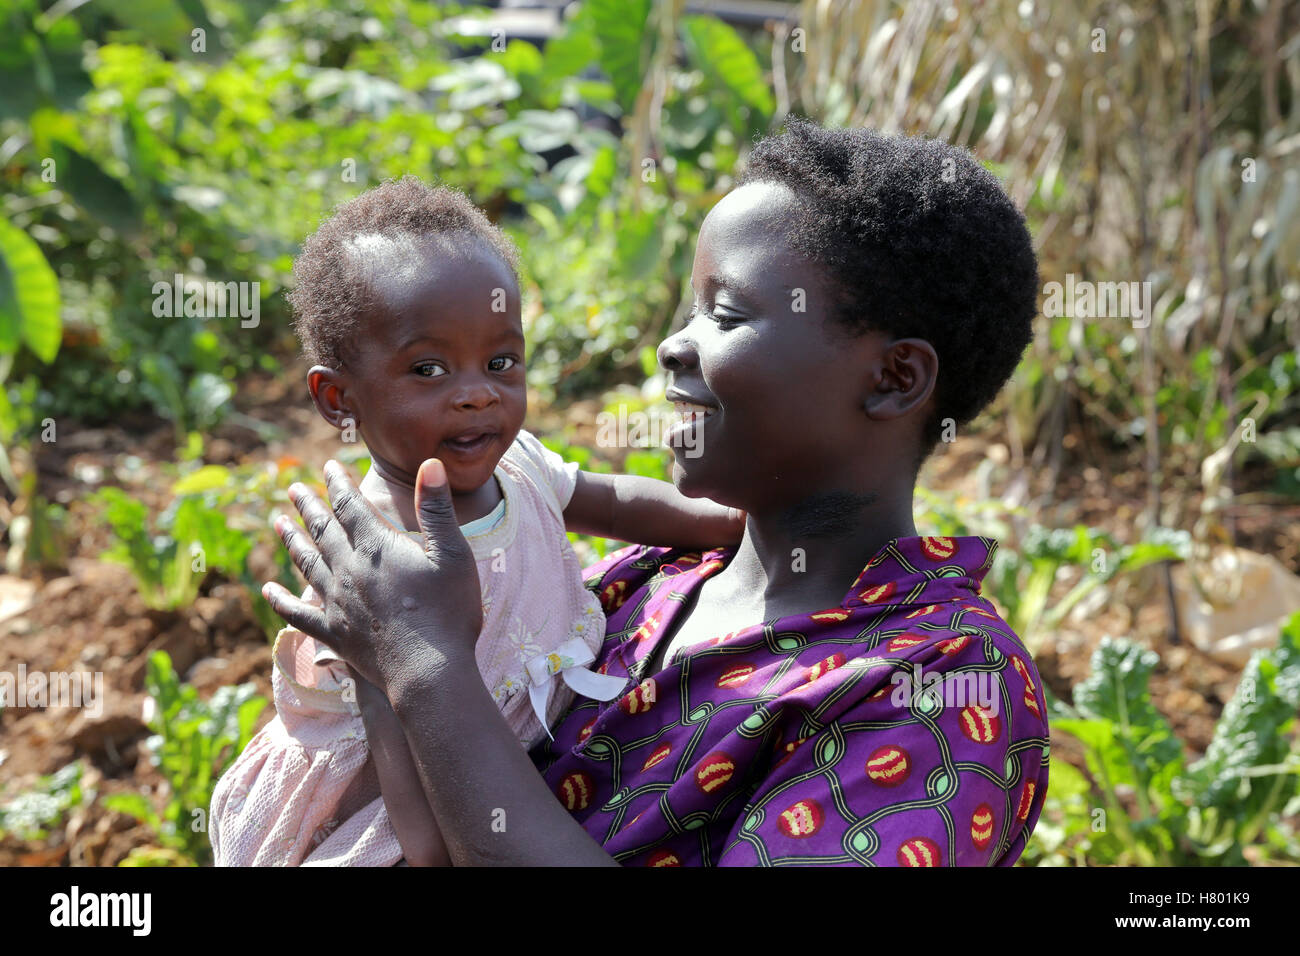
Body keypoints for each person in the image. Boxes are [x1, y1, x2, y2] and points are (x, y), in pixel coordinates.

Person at [244, 119, 1050, 866]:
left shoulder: (937, 685)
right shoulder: (652, 579)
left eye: (725, 313)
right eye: (688, 308)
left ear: (894, 378)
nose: (673, 345)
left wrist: (422, 666)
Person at [208, 177, 743, 866]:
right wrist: (430, 853)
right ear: (338, 399)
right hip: (389, 811)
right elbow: (399, 754)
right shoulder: (377, 564)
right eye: (428, 369)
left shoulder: (516, 463)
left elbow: (611, 500)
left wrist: (730, 522)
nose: (477, 394)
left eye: (500, 362)